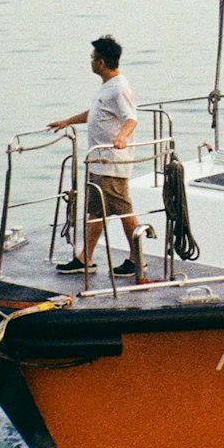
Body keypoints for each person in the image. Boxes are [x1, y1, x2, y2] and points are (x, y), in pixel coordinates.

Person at [47, 34, 143, 279]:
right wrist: (68, 121)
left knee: (123, 211)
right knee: (96, 213)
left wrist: (122, 137)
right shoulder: (108, 87)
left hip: (111, 164)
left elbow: (131, 118)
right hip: (98, 163)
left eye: (92, 58)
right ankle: (85, 259)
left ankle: (137, 259)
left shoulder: (119, 88)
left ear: (101, 62)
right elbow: (96, 113)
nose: (90, 61)